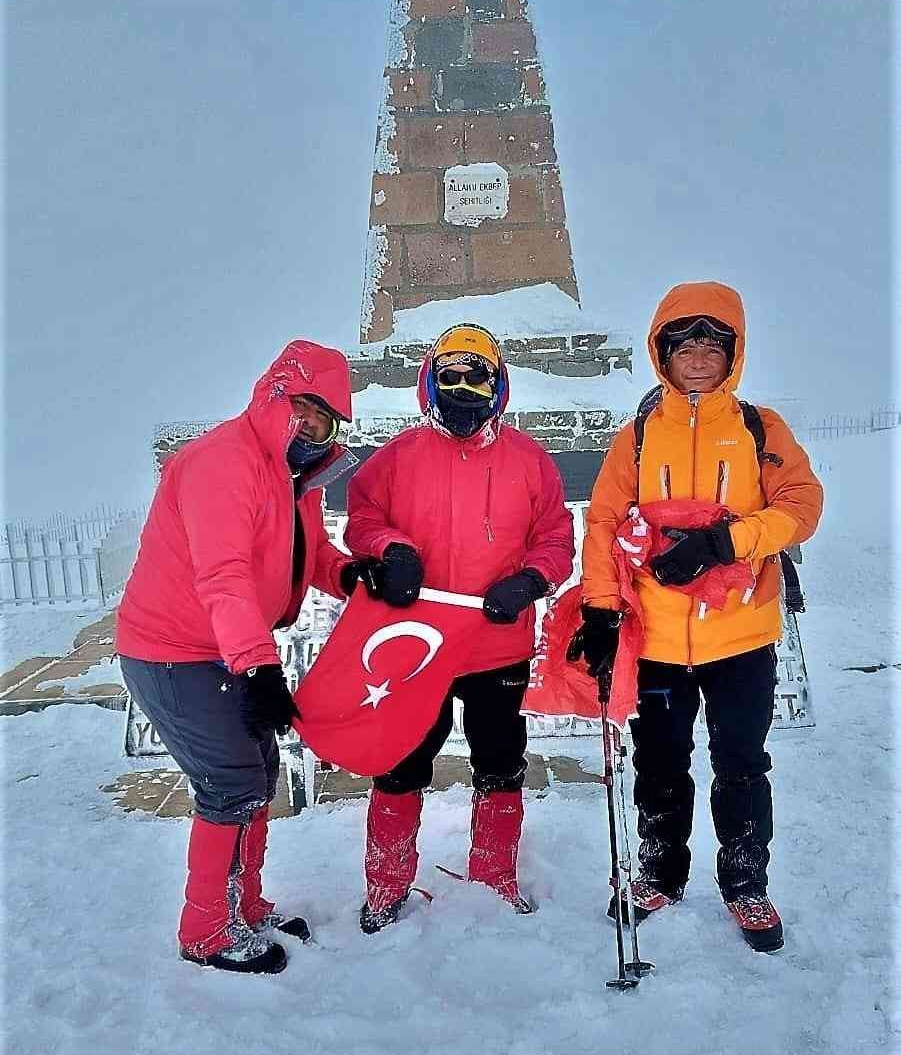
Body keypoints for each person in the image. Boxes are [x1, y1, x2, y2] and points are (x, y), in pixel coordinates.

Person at [569, 282, 823, 952]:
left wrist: (723, 542)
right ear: (662, 354)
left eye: (713, 344)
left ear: (732, 353)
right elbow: (601, 523)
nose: (698, 356)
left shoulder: (758, 428)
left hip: (740, 636)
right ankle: (658, 872)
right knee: (659, 763)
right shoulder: (635, 438)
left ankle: (744, 883)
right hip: (655, 636)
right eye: (684, 344)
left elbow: (801, 506)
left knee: (741, 763)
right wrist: (599, 610)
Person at [117, 340, 367, 975]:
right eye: (302, 405)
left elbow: (307, 561)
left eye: (326, 416)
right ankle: (205, 930)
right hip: (172, 652)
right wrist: (259, 668)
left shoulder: (293, 478)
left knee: (256, 772)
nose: (312, 423)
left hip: (221, 647)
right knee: (229, 782)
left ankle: (245, 907)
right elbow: (224, 578)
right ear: (271, 395)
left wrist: (360, 576)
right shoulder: (223, 463)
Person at [344, 323, 575, 932]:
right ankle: (387, 884)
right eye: (451, 376)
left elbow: (555, 536)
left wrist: (530, 580)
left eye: (478, 375)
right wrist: (390, 549)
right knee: (400, 762)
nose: (464, 387)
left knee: (500, 762)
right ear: (431, 381)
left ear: (497, 383)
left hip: (496, 644)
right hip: (417, 645)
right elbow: (361, 517)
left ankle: (496, 875)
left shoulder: (530, 460)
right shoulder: (396, 458)